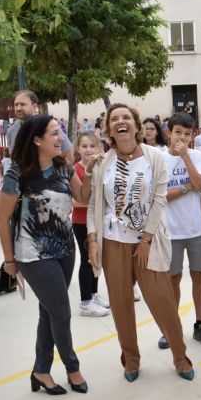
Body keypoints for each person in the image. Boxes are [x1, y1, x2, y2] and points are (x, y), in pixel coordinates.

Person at [86, 103, 194, 382]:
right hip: (112, 241)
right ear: (109, 128)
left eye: (126, 118)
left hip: (148, 242)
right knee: (121, 305)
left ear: (135, 125)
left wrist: (146, 239)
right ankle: (131, 360)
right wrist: (92, 239)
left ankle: (180, 357)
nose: (120, 122)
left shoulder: (154, 157)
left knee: (162, 302)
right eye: (114, 119)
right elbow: (93, 205)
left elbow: (159, 199)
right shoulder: (103, 163)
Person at [0, 114, 95, 394]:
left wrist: (87, 170)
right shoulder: (17, 175)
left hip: (65, 249)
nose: (60, 137)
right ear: (37, 140)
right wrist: (9, 261)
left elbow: (83, 198)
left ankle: (40, 370)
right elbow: (2, 219)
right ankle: (72, 368)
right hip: (32, 254)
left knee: (49, 312)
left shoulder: (64, 167)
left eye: (60, 131)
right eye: (54, 133)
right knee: (61, 314)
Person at [157, 113, 201, 349]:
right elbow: (160, 197)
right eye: (178, 132)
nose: (182, 137)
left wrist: (186, 159)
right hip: (170, 232)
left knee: (198, 275)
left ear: (193, 136)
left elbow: (200, 185)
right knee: (173, 279)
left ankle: (200, 324)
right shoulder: (159, 159)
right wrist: (186, 187)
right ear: (169, 133)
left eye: (188, 134)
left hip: (195, 229)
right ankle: (172, 326)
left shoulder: (197, 155)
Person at [73, 132, 110, 318]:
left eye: (92, 146)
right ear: (78, 148)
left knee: (96, 259)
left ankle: (94, 294)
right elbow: (74, 201)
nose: (88, 150)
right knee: (87, 260)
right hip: (81, 222)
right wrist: (94, 203)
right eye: (84, 146)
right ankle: (85, 301)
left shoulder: (100, 166)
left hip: (98, 221)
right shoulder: (75, 170)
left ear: (98, 148)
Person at [7, 90, 73, 160]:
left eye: (22, 104)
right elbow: (13, 158)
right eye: (16, 105)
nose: (18, 108)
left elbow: (68, 153)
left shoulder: (49, 126)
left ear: (34, 106)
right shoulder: (11, 131)